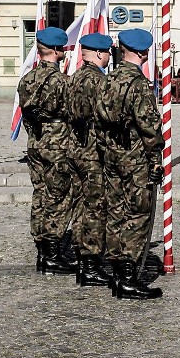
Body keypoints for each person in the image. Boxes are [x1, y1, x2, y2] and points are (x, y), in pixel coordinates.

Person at [95, 28, 165, 300]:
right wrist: (155, 160)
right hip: (135, 159)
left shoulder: (108, 80)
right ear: (143, 53)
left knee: (115, 212)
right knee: (137, 215)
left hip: (112, 156)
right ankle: (127, 278)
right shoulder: (138, 85)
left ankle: (116, 273)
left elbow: (97, 122)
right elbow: (149, 128)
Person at [17, 27, 75, 275]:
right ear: (56, 50)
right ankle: (52, 253)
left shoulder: (26, 79)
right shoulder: (62, 82)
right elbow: (74, 115)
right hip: (57, 144)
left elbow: (26, 114)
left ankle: (42, 250)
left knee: (40, 193)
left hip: (35, 143)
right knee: (58, 197)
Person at [67, 33, 112, 287]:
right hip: (93, 152)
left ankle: (82, 261)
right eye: (107, 53)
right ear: (98, 54)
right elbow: (106, 116)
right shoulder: (97, 80)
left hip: (75, 149)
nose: (108, 57)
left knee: (80, 206)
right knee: (95, 208)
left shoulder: (74, 78)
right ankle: (91, 265)